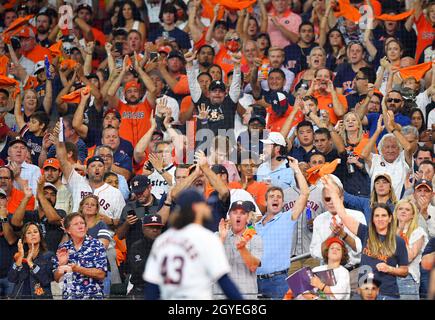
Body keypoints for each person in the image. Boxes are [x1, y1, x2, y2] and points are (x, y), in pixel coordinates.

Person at [143, 188, 243, 300]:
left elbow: (152, 287)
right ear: (196, 208)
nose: (208, 207)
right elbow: (224, 282)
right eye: (204, 204)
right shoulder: (206, 238)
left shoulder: (162, 240)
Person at [322, 175, 409, 300]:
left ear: (390, 218)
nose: (380, 219)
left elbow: (404, 271)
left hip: (387, 294)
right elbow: (343, 214)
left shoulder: (398, 241)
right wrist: (331, 190)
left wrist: (389, 269)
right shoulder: (365, 232)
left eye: (384, 216)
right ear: (372, 219)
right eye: (376, 216)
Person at [256, 156, 309, 300]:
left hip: (278, 281)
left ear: (283, 202)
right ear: (265, 202)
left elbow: (304, 194)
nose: (275, 199)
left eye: (279, 197)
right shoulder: (255, 226)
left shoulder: (287, 218)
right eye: (271, 196)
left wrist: (296, 169)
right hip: (255, 281)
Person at [52, 213, 108, 300]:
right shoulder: (63, 248)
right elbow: (56, 278)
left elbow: (101, 274)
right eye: (76, 224)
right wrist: (62, 265)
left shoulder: (97, 245)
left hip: (92, 296)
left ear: (86, 227)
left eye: (82, 223)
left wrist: (78, 269)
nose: (80, 226)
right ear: (68, 230)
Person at [215, 200, 263, 299]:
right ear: (229, 216)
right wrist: (222, 239)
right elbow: (208, 263)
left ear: (247, 217)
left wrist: (242, 249)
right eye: (235, 212)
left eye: (242, 213)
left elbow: (253, 266)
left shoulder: (255, 238)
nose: (238, 216)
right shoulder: (217, 235)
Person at [394, 198, 428, 300]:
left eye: (407, 210)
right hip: (386, 279)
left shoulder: (418, 232)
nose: (403, 211)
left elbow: (408, 258)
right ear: (396, 212)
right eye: (400, 209)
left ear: (413, 215)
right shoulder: (387, 230)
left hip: (406, 279)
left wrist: (401, 234)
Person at [8, 223, 54, 299]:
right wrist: (20, 257)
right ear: (25, 239)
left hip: (41, 297)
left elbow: (45, 280)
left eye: (35, 232)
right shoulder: (19, 256)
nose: (33, 234)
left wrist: (30, 263)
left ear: (40, 236)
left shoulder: (49, 255)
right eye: (29, 233)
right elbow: (11, 278)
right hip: (20, 296)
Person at [127, 213, 164, 299]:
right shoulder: (137, 246)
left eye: (158, 227)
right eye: (151, 227)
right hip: (141, 289)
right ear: (143, 229)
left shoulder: (167, 245)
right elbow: (141, 270)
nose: (155, 230)